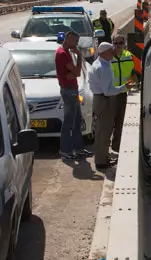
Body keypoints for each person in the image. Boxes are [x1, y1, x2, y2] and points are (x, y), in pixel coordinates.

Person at [88, 41, 135, 170]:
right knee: (104, 131)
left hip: (100, 100)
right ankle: (101, 161)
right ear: (104, 53)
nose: (113, 52)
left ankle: (102, 157)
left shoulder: (100, 63)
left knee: (102, 131)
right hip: (105, 101)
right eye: (111, 50)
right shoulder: (103, 68)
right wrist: (124, 87)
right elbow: (107, 91)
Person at [55, 31, 91, 161]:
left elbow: (73, 74)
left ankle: (78, 148)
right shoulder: (63, 54)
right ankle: (65, 150)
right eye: (75, 41)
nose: (76, 44)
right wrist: (80, 55)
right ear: (68, 39)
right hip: (68, 91)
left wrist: (72, 74)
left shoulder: (66, 53)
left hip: (73, 90)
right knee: (69, 121)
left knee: (77, 121)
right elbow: (76, 72)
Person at [109, 34, 136, 155]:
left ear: (124, 44)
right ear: (112, 43)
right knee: (108, 122)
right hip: (109, 94)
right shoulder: (108, 57)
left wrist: (136, 84)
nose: (118, 46)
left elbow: (134, 74)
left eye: (120, 43)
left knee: (120, 122)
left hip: (122, 94)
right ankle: (106, 147)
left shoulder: (129, 56)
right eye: (116, 43)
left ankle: (116, 147)